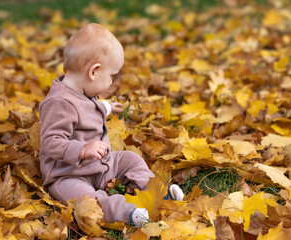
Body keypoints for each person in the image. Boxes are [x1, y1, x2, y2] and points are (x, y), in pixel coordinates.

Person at [39, 23, 184, 227]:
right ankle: (127, 212)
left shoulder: (82, 92)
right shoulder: (59, 103)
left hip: (102, 165)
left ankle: (156, 192)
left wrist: (105, 107)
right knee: (88, 200)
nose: (111, 82)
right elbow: (50, 141)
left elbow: (86, 110)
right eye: (111, 76)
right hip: (69, 175)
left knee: (130, 159)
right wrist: (81, 150)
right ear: (94, 72)